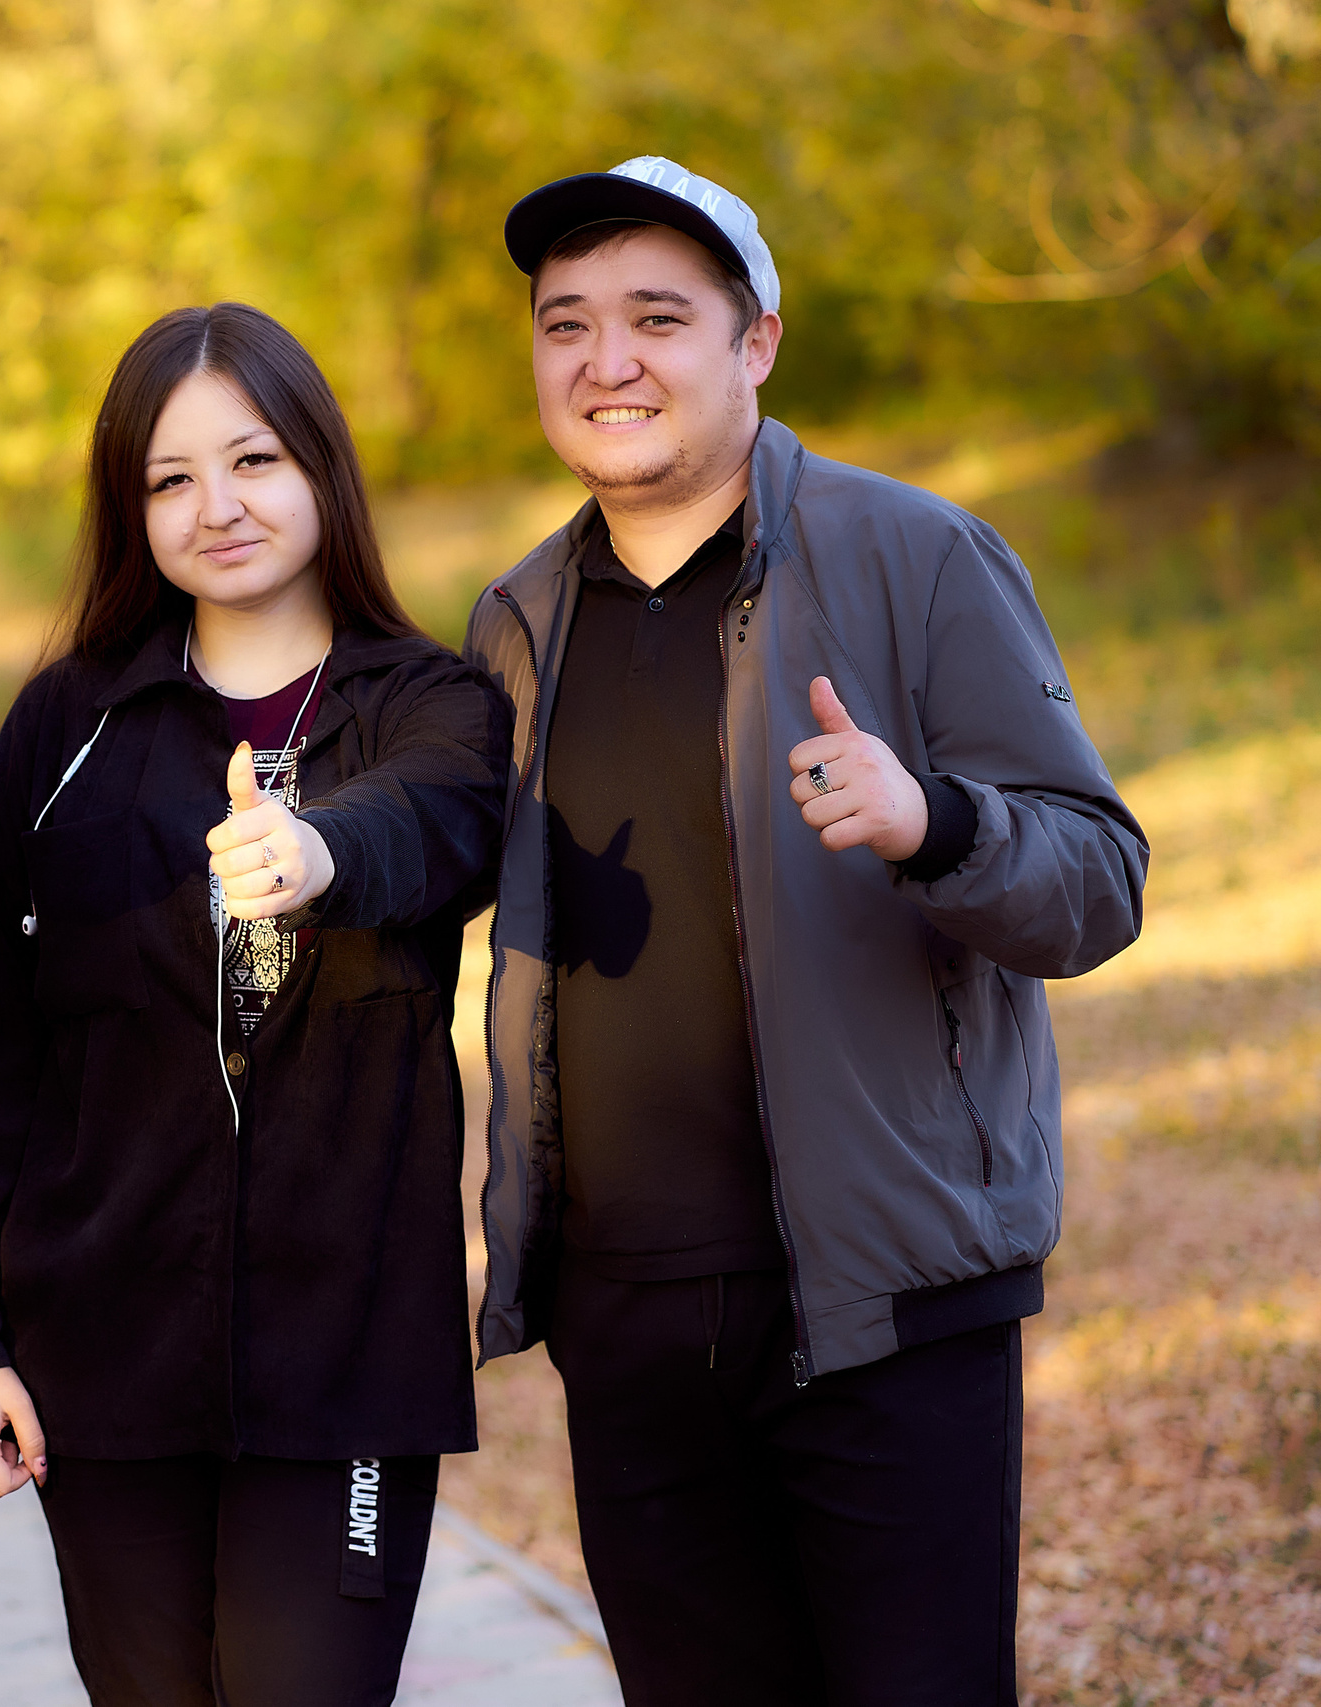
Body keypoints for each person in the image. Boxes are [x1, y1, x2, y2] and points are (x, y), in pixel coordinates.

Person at [463, 156, 1149, 1705]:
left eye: (657, 317)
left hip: (885, 1312)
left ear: (756, 340)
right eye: (566, 324)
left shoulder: (917, 558)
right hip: (627, 1324)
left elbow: (1101, 878)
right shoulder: (516, 623)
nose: (606, 361)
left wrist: (937, 825)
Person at [0, 302, 510, 1707]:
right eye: (170, 480)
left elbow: (443, 823)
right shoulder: (66, 731)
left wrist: (321, 852)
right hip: (98, 1356)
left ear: (320, 468)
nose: (216, 507)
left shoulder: (433, 707)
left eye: (252, 462)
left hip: (346, 1364)